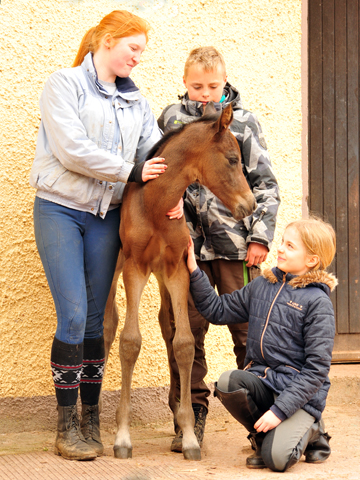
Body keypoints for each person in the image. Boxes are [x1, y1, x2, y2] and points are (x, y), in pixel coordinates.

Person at [30, 10, 182, 461]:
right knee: (74, 316)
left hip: (105, 217)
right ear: (107, 41)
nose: (138, 58)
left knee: (97, 320)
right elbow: (71, 149)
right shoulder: (63, 84)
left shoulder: (137, 103)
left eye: (141, 51)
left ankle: (91, 418)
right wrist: (130, 171)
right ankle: (66, 425)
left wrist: (173, 199)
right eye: (133, 48)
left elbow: (157, 157)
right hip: (60, 210)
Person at [157, 46, 280, 450]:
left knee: (250, 335)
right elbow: (157, 176)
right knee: (185, 332)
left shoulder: (243, 124)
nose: (205, 94)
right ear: (184, 84)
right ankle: (189, 417)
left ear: (225, 82)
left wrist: (259, 236)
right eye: (197, 87)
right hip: (185, 249)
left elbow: (265, 185)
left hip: (237, 250)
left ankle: (262, 420)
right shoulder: (171, 122)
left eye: (213, 86)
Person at [186, 217, 337, 472]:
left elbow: (316, 371)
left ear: (311, 260)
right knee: (227, 383)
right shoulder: (263, 285)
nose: (280, 249)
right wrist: (192, 267)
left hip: (299, 394)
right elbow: (217, 310)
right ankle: (264, 436)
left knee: (277, 460)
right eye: (282, 242)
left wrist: (279, 411)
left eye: (290, 246)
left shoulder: (318, 303)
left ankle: (313, 430)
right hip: (265, 381)